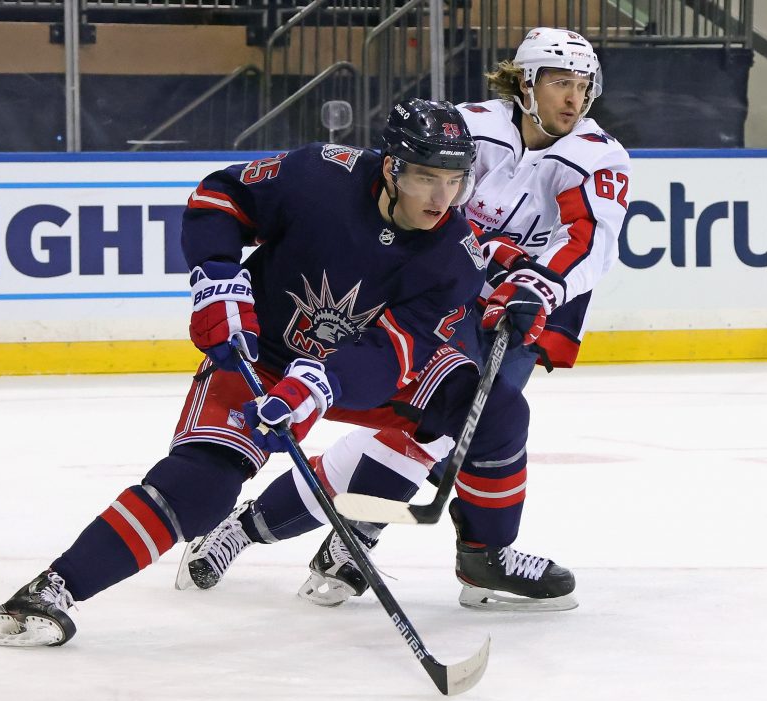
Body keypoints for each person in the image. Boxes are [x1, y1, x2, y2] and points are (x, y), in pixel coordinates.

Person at [0, 98, 501, 647]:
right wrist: (217, 276)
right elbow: (219, 194)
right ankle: (52, 589)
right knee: (200, 490)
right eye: (426, 178)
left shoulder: (455, 255)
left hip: (345, 374)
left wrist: (322, 384)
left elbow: (394, 352)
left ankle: (382, 534)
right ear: (392, 167)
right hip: (259, 357)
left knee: (464, 411)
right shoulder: (320, 174)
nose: (443, 198)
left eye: (455, 181)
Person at [177, 27, 630, 612]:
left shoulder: (598, 155)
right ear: (525, 82)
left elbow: (590, 239)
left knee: (445, 436)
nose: (574, 98)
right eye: (561, 83)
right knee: (415, 433)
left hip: (522, 306)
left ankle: (338, 542)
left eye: (583, 86)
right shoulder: (466, 126)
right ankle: (291, 536)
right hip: (435, 291)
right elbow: (396, 189)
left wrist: (535, 285)